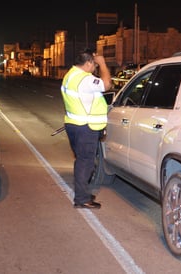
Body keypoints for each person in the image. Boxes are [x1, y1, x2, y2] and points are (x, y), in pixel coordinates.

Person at [61, 48, 111, 209]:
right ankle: (82, 199)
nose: (95, 67)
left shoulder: (70, 75)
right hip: (85, 127)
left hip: (74, 124)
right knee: (85, 163)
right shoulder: (85, 79)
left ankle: (83, 194)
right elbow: (106, 84)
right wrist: (103, 64)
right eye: (94, 64)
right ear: (88, 63)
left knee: (81, 161)